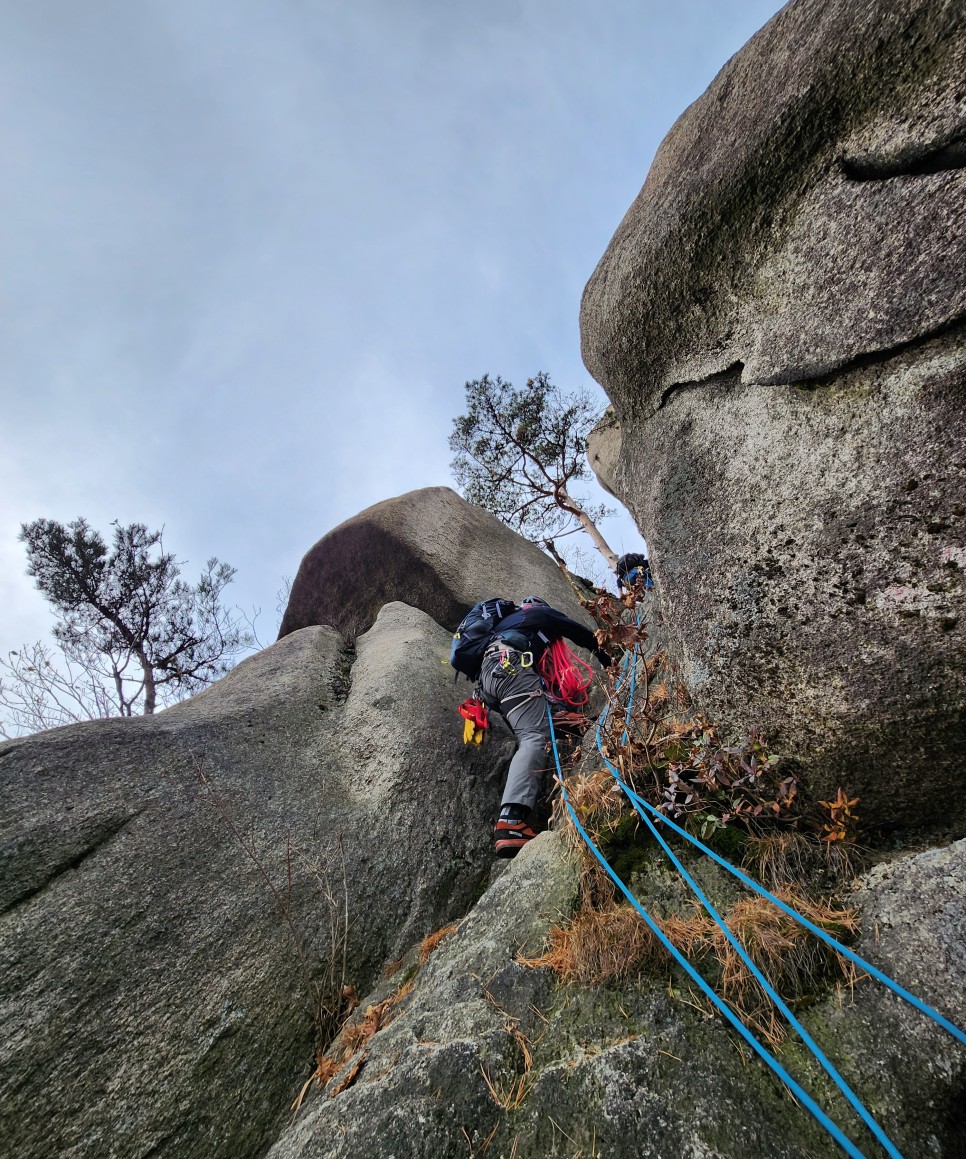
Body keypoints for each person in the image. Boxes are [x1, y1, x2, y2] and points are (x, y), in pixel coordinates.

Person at [479, 596, 611, 858]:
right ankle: (511, 822)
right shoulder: (538, 615)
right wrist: (608, 658)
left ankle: (557, 716)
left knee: (533, 721)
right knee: (534, 737)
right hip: (510, 666)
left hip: (489, 682)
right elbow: (580, 632)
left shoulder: (506, 625)